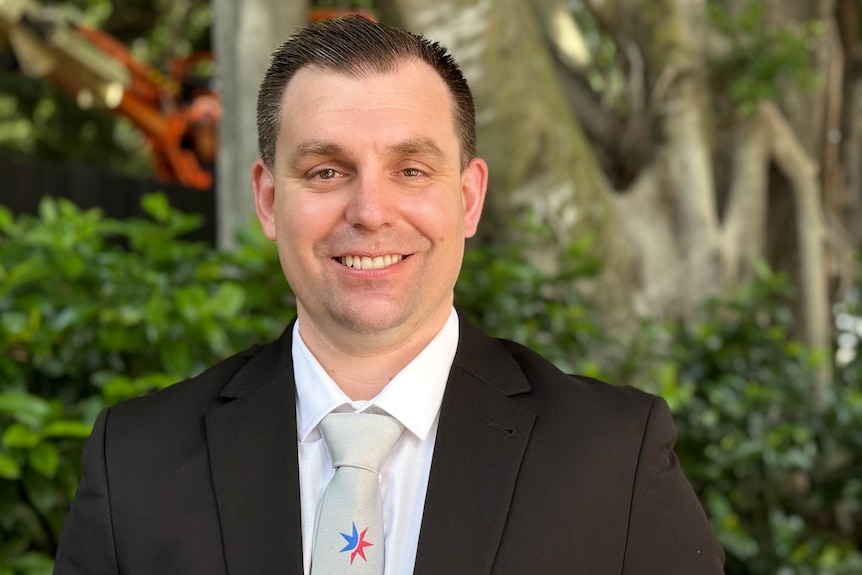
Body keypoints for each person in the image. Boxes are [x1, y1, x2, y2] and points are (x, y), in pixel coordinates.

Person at [54, 15, 724, 575]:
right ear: (267, 199)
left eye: (410, 169)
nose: (370, 211)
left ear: (467, 197)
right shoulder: (135, 462)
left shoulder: (614, 462)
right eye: (326, 170)